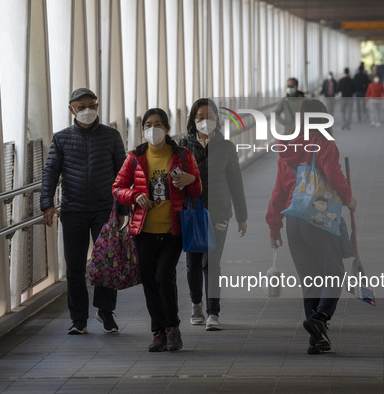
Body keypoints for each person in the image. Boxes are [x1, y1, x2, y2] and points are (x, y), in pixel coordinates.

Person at [266, 99, 357, 355]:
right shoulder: (324, 144)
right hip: (319, 218)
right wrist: (349, 198)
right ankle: (320, 318)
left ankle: (316, 339)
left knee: (310, 279)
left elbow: (278, 191)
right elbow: (334, 174)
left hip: (293, 220)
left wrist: (274, 227)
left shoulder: (287, 148)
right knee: (334, 271)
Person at [113, 108, 201, 352]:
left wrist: (190, 180)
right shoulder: (135, 157)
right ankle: (158, 332)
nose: (154, 129)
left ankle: (172, 327)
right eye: (149, 124)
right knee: (150, 281)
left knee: (164, 276)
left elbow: (197, 190)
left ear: (168, 128)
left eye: (159, 124)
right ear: (143, 130)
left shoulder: (182, 155)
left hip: (174, 230)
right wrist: (135, 196)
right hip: (144, 231)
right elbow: (117, 188)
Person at [41, 88, 126, 335]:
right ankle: (79, 318)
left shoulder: (111, 136)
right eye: (81, 106)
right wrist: (47, 202)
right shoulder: (62, 138)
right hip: (73, 210)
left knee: (106, 264)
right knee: (75, 268)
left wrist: (121, 208)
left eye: (91, 105)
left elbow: (121, 174)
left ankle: (105, 312)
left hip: (104, 209)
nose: (87, 110)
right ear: (71, 110)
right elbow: (51, 172)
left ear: (97, 107)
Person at [179, 98, 248, 331]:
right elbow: (174, 179)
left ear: (218, 119)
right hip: (192, 212)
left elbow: (236, 183)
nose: (205, 121)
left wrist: (242, 216)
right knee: (193, 262)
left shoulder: (227, 147)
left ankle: (213, 311)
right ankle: (196, 304)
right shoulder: (183, 146)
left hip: (219, 211)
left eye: (210, 116)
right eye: (200, 117)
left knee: (213, 262)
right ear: (192, 120)